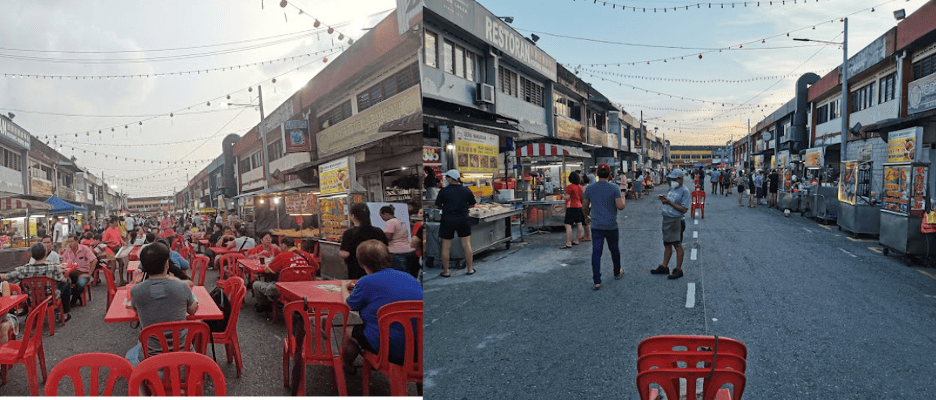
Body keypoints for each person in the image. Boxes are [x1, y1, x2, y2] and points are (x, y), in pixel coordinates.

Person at [340, 240, 423, 376]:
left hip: (389, 349)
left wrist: (344, 287)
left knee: (348, 332)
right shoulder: (410, 278)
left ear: (362, 263)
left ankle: (347, 365)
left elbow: (348, 304)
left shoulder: (366, 282)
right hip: (417, 347)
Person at [124, 242, 198, 367]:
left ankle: (143, 385)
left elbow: (137, 311)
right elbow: (192, 310)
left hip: (153, 362)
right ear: (167, 264)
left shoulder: (137, 291)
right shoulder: (181, 287)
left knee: (129, 356)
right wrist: (194, 299)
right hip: (185, 359)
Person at [2, 243, 72, 322]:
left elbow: (8, 276)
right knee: (67, 284)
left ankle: (28, 312)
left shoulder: (24, 269)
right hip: (50, 299)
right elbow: (62, 280)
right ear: (45, 253)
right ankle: (65, 313)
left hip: (32, 300)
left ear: (32, 255)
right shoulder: (53, 268)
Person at [582, 163, 625, 290]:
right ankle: (617, 272)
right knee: (614, 250)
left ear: (596, 173)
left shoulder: (590, 188)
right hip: (611, 225)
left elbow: (584, 207)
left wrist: (587, 217)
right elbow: (620, 206)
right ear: (609, 174)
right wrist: (622, 196)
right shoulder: (614, 188)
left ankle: (597, 281)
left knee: (596, 253)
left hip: (596, 226)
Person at [251, 236, 312, 313]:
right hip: (305, 288)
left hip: (285, 291)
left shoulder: (282, 256)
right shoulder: (306, 255)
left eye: (280, 246)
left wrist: (268, 263)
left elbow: (267, 270)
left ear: (284, 245)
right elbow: (316, 267)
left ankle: (264, 306)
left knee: (256, 284)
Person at [433, 169, 476, 277]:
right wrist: (463, 207)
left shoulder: (444, 191)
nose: (445, 179)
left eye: (447, 177)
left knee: (446, 247)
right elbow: (472, 204)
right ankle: (470, 269)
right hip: (463, 219)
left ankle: (446, 272)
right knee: (466, 245)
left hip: (448, 220)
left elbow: (436, 206)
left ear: (451, 178)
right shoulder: (466, 190)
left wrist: (446, 207)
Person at [651, 169, 691, 280]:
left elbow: (684, 209)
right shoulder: (672, 188)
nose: (672, 181)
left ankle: (679, 269)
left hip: (676, 221)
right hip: (667, 219)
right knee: (667, 244)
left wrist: (669, 202)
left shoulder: (685, 191)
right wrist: (664, 200)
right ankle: (664, 266)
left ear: (681, 179)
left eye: (674, 179)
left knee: (677, 245)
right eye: (671, 179)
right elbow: (670, 201)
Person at [341, 203, 389, 280]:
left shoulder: (349, 233)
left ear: (353, 216)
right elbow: (386, 249)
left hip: (356, 270)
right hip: (379, 270)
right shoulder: (378, 231)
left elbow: (345, 254)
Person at [60, 235, 96, 307]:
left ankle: (73, 300)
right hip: (71, 273)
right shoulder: (67, 251)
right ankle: (76, 295)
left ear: (77, 241)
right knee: (62, 282)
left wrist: (89, 274)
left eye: (72, 242)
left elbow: (94, 260)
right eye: (69, 242)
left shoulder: (84, 249)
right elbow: (64, 264)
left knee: (81, 284)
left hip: (83, 272)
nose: (70, 244)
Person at [380, 205, 416, 274]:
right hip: (409, 250)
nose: (382, 218)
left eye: (381, 216)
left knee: (400, 275)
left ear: (386, 214)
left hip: (397, 252)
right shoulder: (401, 221)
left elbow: (388, 238)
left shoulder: (390, 222)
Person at [561, 171, 584, 249]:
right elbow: (581, 197)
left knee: (568, 224)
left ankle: (568, 242)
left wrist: (562, 196)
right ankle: (576, 240)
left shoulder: (570, 187)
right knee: (579, 223)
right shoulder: (580, 187)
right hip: (579, 206)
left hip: (571, 207)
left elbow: (567, 197)